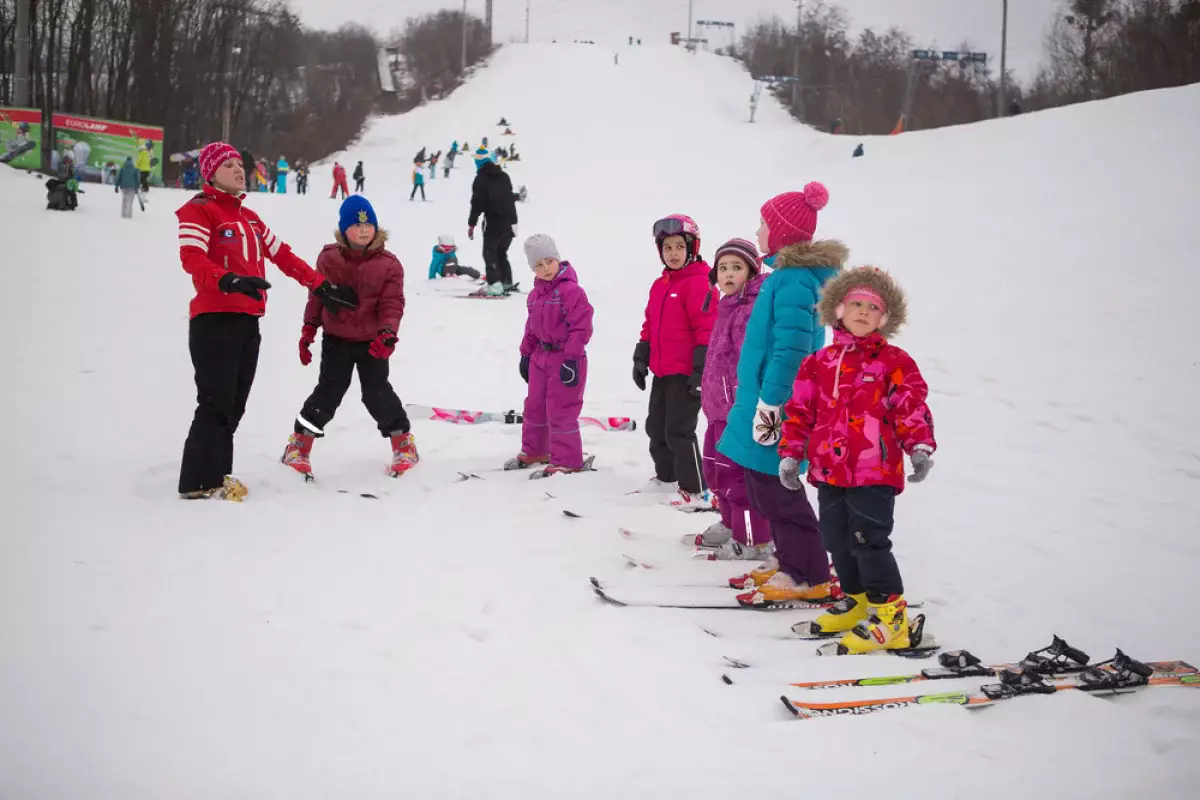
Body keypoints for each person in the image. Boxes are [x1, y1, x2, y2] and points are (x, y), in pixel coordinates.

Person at [174, 141, 359, 501]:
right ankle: (197, 481)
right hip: (214, 319)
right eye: (228, 165)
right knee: (215, 401)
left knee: (235, 403)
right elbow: (191, 257)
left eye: (239, 164)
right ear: (210, 172)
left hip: (248, 321)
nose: (239, 170)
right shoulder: (199, 211)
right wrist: (227, 280)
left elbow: (283, 255)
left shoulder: (249, 218)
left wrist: (321, 287)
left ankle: (217, 475)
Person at [779, 266, 935, 653]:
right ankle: (858, 602)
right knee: (837, 540)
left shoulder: (894, 361)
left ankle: (891, 619)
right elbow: (799, 411)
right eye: (856, 304)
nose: (863, 311)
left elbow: (910, 406)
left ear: (884, 318)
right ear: (838, 311)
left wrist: (919, 445)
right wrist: (790, 454)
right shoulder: (818, 363)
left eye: (872, 307)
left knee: (869, 542)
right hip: (829, 472)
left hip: (874, 472)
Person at [718, 183, 846, 604]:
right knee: (761, 484)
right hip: (762, 397)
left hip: (776, 403)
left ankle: (809, 573)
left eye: (763, 225)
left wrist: (771, 403)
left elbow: (791, 350)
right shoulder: (783, 278)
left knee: (777, 488)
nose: (757, 233)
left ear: (784, 233)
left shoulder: (792, 281)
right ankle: (789, 559)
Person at [283, 196, 417, 479]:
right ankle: (299, 444)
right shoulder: (328, 258)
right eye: (357, 225)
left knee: (376, 392)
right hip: (337, 339)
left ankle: (403, 442)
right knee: (329, 391)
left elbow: (392, 303)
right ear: (344, 229)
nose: (364, 230)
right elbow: (316, 296)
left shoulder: (389, 265)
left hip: (373, 342)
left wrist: (388, 334)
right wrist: (309, 329)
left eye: (368, 224)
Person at [693, 238, 772, 559]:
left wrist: (744, 402)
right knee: (715, 472)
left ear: (752, 272)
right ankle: (730, 524)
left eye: (736, 267)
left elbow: (751, 362)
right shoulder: (726, 307)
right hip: (717, 411)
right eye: (723, 268)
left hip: (739, 412)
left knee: (738, 479)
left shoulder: (749, 311)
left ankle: (753, 539)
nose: (728, 273)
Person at [632, 214, 718, 509]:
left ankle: (695, 488)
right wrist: (641, 356)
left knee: (679, 432)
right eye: (667, 248)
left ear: (692, 248)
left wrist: (700, 370)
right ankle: (666, 477)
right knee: (656, 428)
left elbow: (707, 328)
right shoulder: (660, 285)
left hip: (686, 374)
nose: (673, 253)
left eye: (679, 247)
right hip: (662, 372)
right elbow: (650, 323)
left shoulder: (698, 283)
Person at [504, 234, 594, 477]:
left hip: (565, 358)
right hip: (539, 358)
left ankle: (567, 460)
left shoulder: (571, 291)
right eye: (538, 265)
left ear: (557, 259)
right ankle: (535, 451)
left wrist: (572, 359)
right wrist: (525, 355)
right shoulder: (534, 296)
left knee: (561, 408)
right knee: (534, 406)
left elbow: (581, 326)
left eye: (548, 262)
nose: (545, 269)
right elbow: (531, 327)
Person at [467, 158, 519, 296]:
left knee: (490, 253)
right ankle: (506, 281)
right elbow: (509, 198)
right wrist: (514, 222)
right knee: (501, 252)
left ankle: (495, 285)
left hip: (494, 221)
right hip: (510, 222)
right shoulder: (504, 176)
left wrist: (472, 224)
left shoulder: (481, 179)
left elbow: (477, 204)